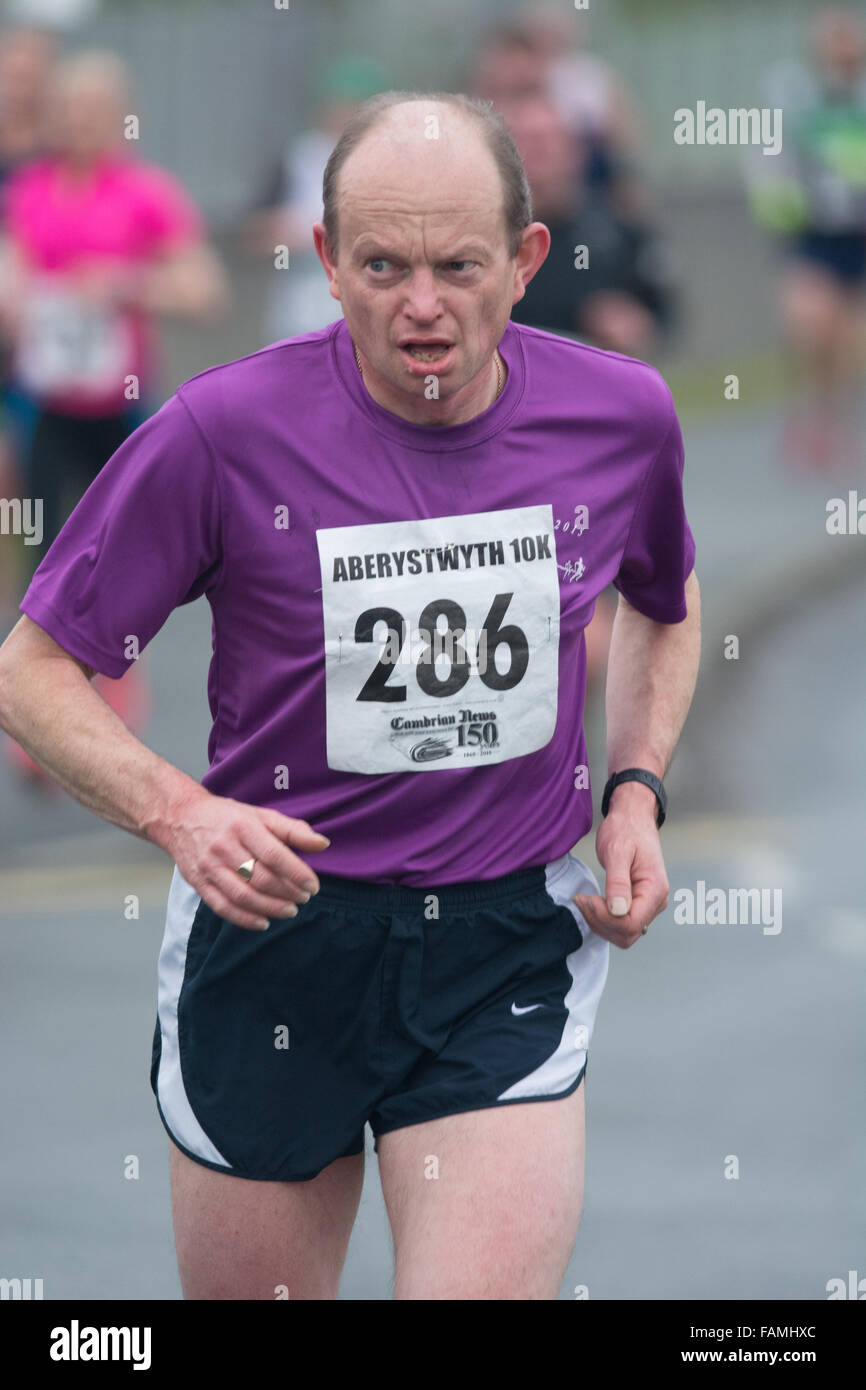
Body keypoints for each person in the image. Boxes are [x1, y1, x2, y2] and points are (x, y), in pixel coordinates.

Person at [0, 92, 700, 1301]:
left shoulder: (619, 416)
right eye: (380, 265)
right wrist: (180, 813)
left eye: (455, 265)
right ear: (325, 261)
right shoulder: (223, 432)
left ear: (526, 261)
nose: (419, 304)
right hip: (275, 939)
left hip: (500, 947)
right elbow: (32, 669)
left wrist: (632, 792)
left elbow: (662, 602)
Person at [0, 49, 227, 786]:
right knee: (38, 549)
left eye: (97, 111)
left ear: (122, 115)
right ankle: (39, 710)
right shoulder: (28, 190)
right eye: (70, 109)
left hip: (122, 405)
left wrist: (126, 284)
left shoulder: (144, 194)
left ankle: (110, 688)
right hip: (43, 405)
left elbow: (203, 289)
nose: (82, 123)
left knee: (121, 557)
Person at [748, 6, 866, 471]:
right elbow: (767, 155)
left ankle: (833, 419)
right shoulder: (793, 95)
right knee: (810, 328)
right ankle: (806, 415)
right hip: (813, 234)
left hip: (857, 234)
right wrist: (778, 204)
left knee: (848, 341)